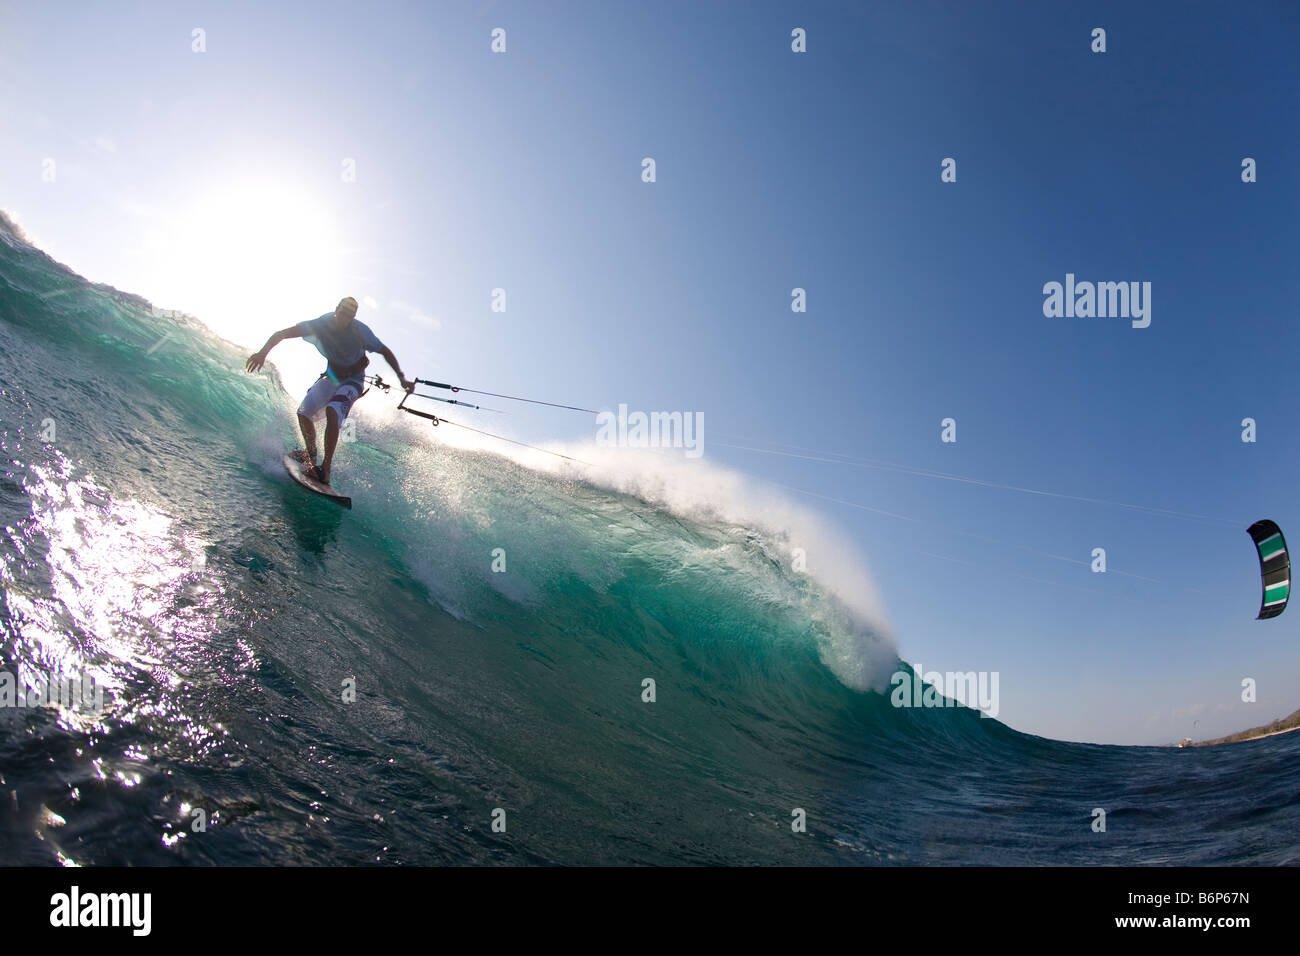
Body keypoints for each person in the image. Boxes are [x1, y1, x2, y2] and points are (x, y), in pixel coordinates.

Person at [245, 297, 413, 485]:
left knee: (333, 410)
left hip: (353, 382)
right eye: (341, 313)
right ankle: (310, 455)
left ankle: (325, 469)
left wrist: (402, 378)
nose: (343, 318)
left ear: (353, 317)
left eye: (348, 316)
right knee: (303, 413)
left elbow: (385, 351)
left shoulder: (360, 331)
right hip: (331, 377)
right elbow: (282, 334)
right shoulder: (320, 324)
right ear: (336, 310)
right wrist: (262, 353)